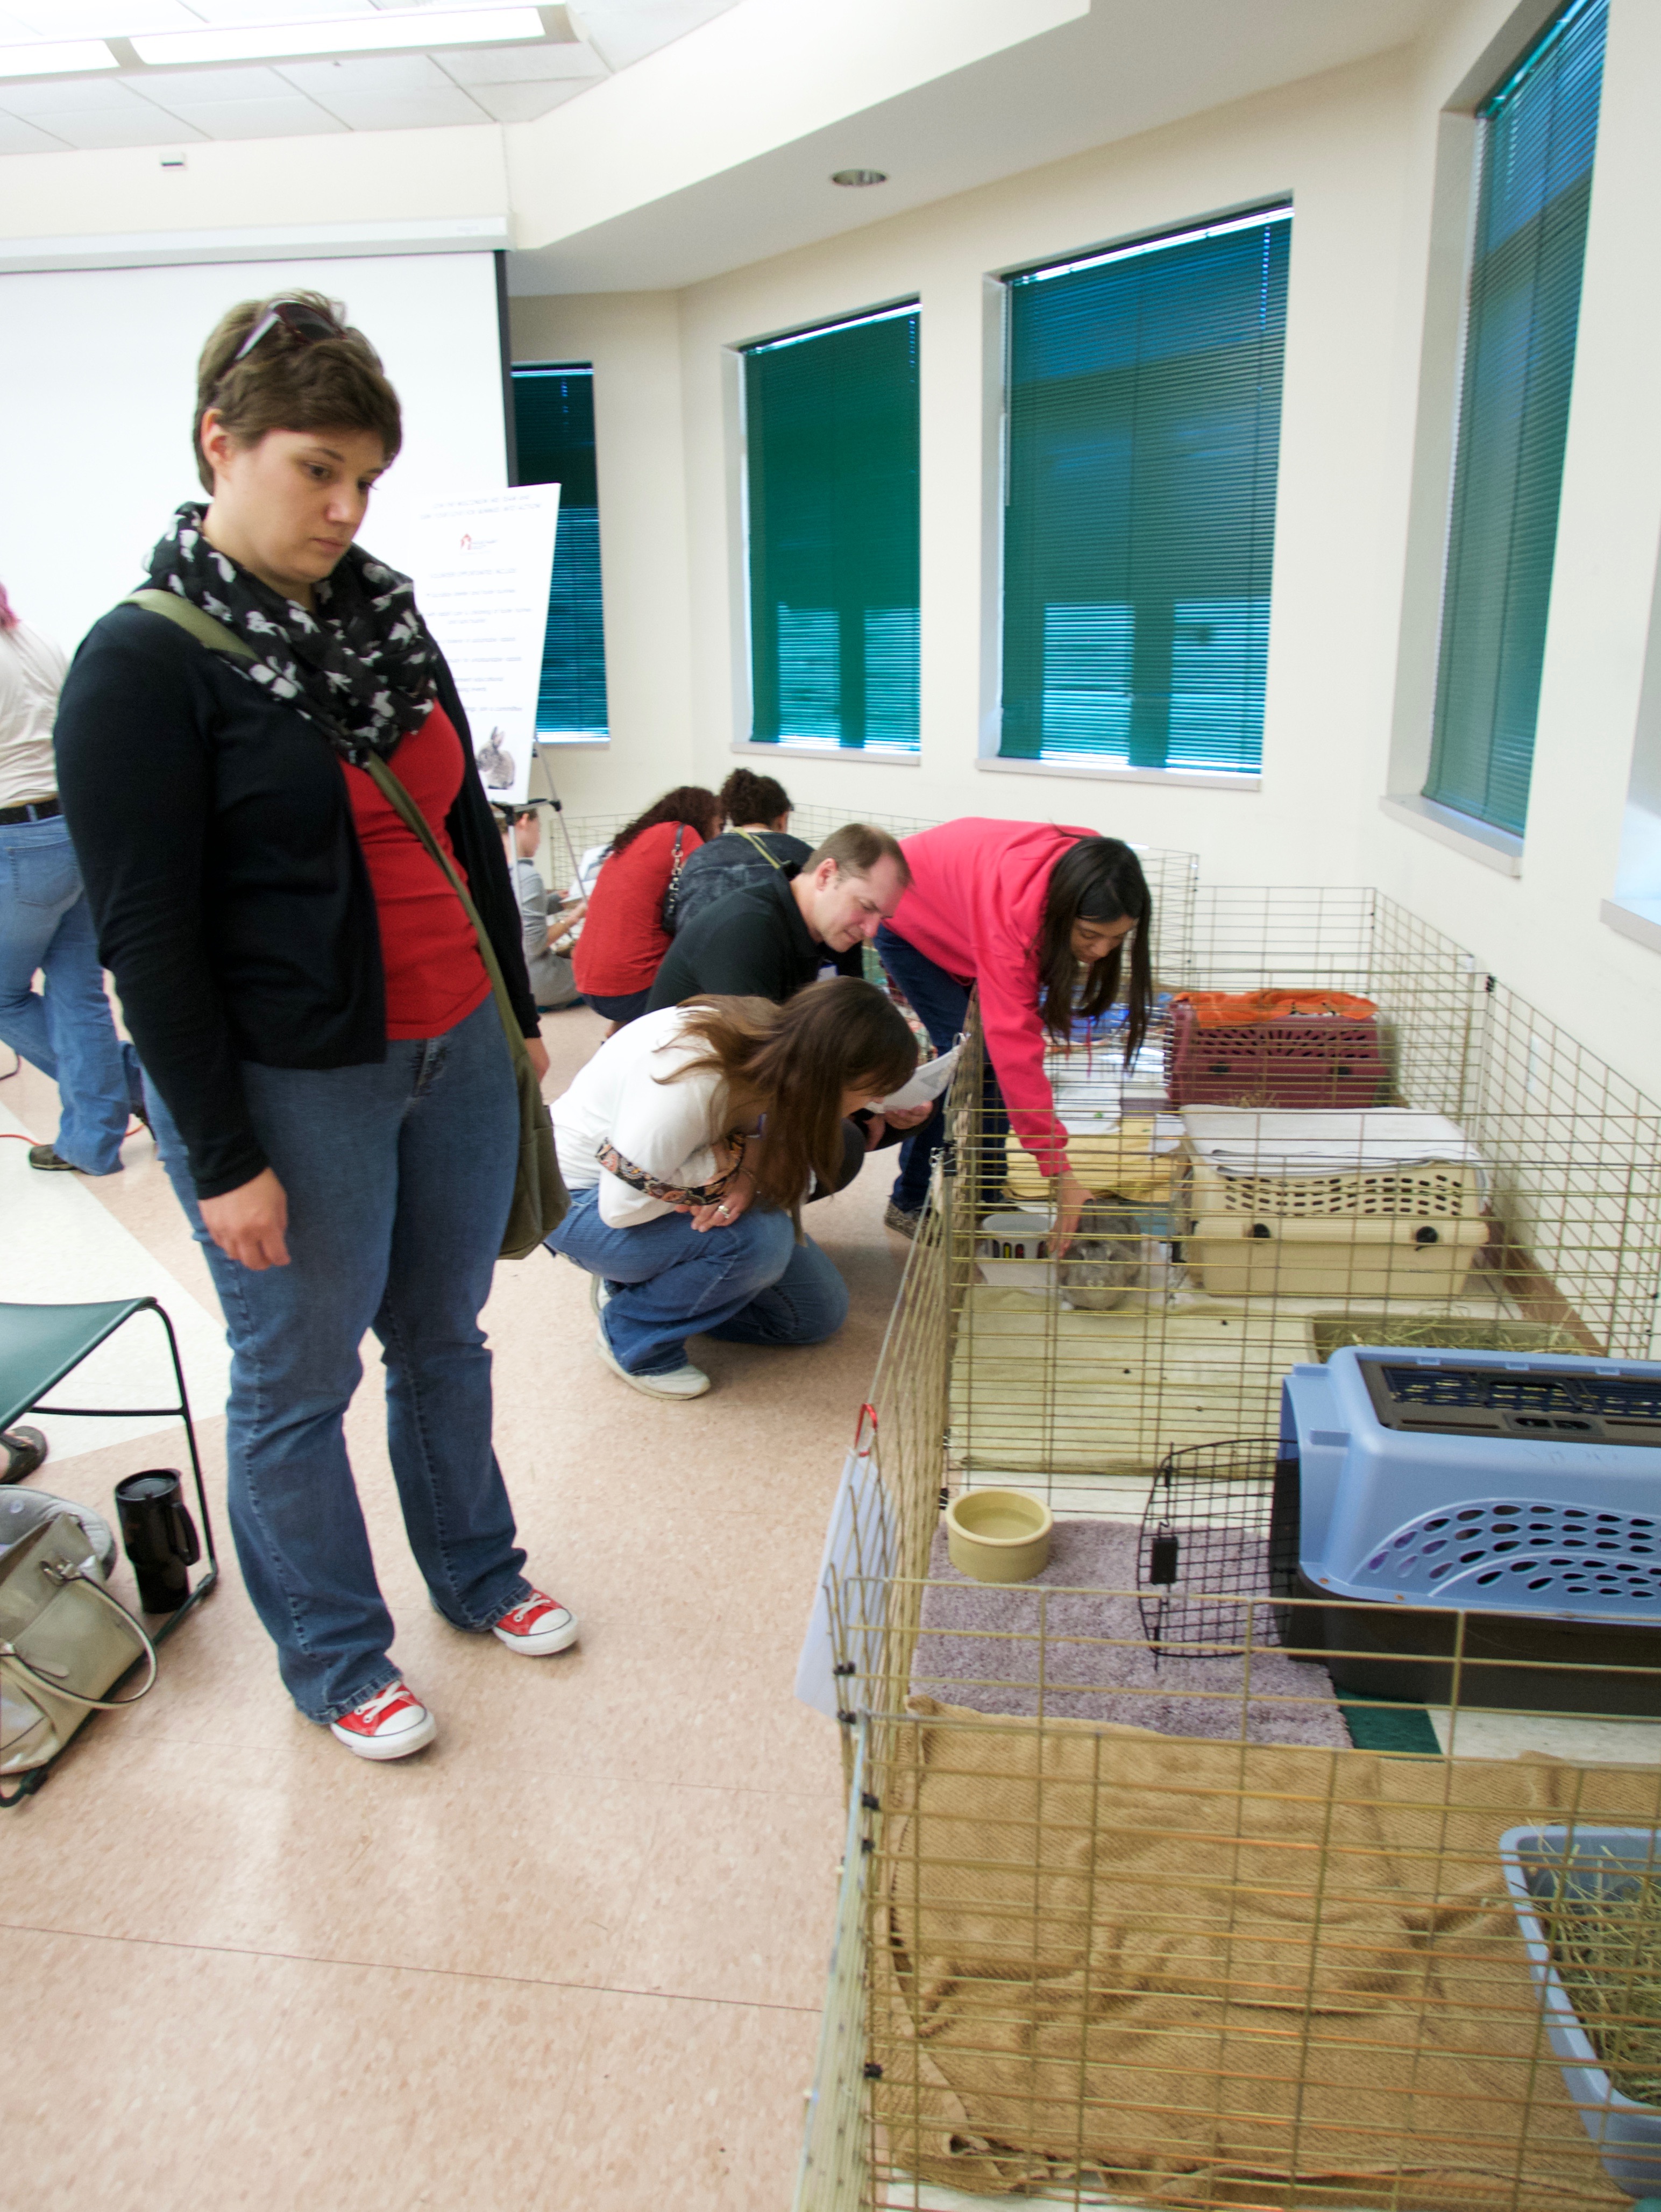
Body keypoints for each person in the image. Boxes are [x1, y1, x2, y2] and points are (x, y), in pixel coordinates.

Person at [54, 290, 575, 1765]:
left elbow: (465, 815)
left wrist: (518, 1016)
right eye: (315, 470)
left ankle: (479, 1576)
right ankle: (340, 1659)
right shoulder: (142, 664)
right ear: (221, 443)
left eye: (367, 479)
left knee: (445, 1337)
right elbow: (145, 942)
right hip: (300, 1083)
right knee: (296, 1382)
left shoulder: (385, 614)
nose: (346, 508)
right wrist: (219, 1159)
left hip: (460, 1041)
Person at [548, 976, 915, 1400]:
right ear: (836, 1075)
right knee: (759, 1241)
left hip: (650, 1185)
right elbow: (622, 1207)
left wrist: (749, 1172)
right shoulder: (689, 1073)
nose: (875, 1106)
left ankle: (652, 1290)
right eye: (872, 1092)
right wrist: (732, 1168)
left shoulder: (789, 1059)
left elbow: (796, 1177)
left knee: (814, 1315)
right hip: (579, 1200)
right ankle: (630, 1337)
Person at [875, 820, 1153, 1250]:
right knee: (966, 1062)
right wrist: (1059, 1170)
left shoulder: (1097, 867)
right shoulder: (1014, 922)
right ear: (1063, 913)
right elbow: (1015, 1050)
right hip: (907, 918)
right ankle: (908, 1200)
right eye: (1090, 936)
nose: (1100, 952)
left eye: (1117, 940)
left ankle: (987, 1196)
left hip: (965, 918)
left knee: (991, 1065)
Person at [648, 821, 927, 1194]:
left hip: (761, 1084)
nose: (873, 930)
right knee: (841, 1143)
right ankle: (733, 1209)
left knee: (913, 1108)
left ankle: (760, 1203)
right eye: (866, 908)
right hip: (694, 1106)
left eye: (882, 918)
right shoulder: (748, 929)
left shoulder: (835, 933)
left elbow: (853, 1040)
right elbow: (757, 1068)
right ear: (826, 875)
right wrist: (856, 1108)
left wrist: (874, 1103)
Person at [0, 582, 144, 1176]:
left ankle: (130, 1085)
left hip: (17, 841)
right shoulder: (29, 638)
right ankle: (93, 1138)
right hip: (74, 829)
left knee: (5, 996)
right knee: (77, 988)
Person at [571, 784, 720, 1027]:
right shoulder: (684, 835)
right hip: (630, 987)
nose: (718, 835)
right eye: (719, 825)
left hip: (587, 981)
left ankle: (617, 1039)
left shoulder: (633, 840)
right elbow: (705, 892)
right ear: (705, 819)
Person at [668, 768, 809, 934]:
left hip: (698, 956)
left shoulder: (697, 859)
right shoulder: (805, 857)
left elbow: (673, 919)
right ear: (783, 819)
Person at [501, 805, 582, 1011]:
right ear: (524, 821)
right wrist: (574, 917)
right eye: (538, 831)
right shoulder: (527, 876)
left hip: (506, 980)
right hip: (535, 982)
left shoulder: (495, 870)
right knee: (606, 971)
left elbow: (512, 914)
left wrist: (557, 902)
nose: (539, 840)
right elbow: (534, 944)